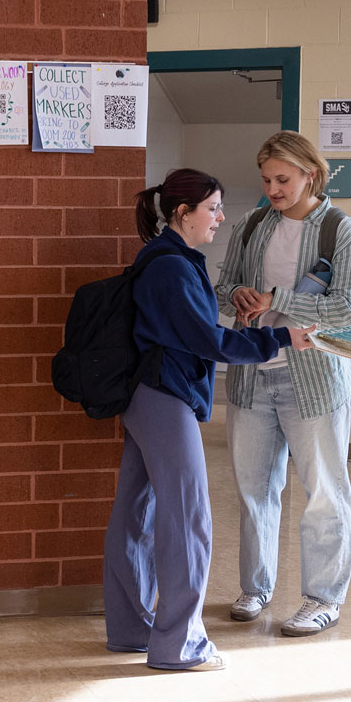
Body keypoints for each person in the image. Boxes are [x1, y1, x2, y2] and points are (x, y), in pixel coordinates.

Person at [105, 168, 294, 672]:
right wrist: (281, 338)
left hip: (148, 395)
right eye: (213, 208)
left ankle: (131, 629)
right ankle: (179, 644)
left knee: (136, 513)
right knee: (189, 520)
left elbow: (195, 331)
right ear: (183, 213)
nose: (221, 217)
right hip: (165, 398)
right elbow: (208, 342)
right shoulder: (171, 267)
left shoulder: (170, 260)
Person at [214, 131, 351, 637]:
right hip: (252, 377)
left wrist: (275, 297)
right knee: (254, 489)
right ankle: (255, 588)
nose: (273, 189)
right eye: (266, 180)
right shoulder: (253, 223)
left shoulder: (343, 232)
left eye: (283, 179)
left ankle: (323, 599)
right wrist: (238, 294)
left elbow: (345, 310)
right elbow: (222, 287)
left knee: (324, 492)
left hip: (316, 380)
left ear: (312, 176)